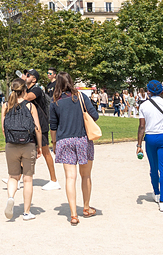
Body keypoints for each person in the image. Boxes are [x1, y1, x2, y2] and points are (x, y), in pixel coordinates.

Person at [49, 71, 99, 225]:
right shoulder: (81, 97)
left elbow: (53, 125)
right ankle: (85, 207)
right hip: (82, 138)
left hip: (64, 140)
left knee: (70, 177)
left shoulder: (55, 102)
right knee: (86, 175)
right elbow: (94, 116)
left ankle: (73, 214)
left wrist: (54, 142)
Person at [1, 78, 42, 221]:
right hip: (28, 144)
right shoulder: (30, 106)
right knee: (28, 179)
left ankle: (11, 197)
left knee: (13, 176)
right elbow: (37, 128)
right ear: (24, 90)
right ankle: (26, 212)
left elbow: (3, 128)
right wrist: (39, 146)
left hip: (11, 144)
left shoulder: (6, 105)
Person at [136, 80, 163, 212]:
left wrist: (139, 144)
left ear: (148, 91)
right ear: (161, 91)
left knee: (153, 168)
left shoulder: (143, 106)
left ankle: (156, 193)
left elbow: (142, 127)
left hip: (150, 137)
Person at [19, 69, 61, 190]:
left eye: (28, 75)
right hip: (30, 124)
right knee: (25, 151)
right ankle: (16, 178)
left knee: (46, 152)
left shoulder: (36, 89)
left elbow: (25, 98)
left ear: (34, 79)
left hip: (40, 125)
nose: (25, 76)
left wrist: (21, 83)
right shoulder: (26, 88)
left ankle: (54, 180)